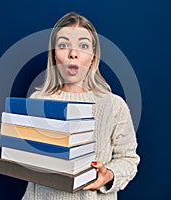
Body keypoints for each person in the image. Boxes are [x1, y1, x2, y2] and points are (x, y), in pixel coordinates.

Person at [22, 12, 140, 200]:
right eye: (63, 45)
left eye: (83, 46)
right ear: (54, 55)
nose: (73, 53)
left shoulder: (114, 106)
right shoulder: (37, 101)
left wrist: (108, 175)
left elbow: (129, 159)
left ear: (93, 56)